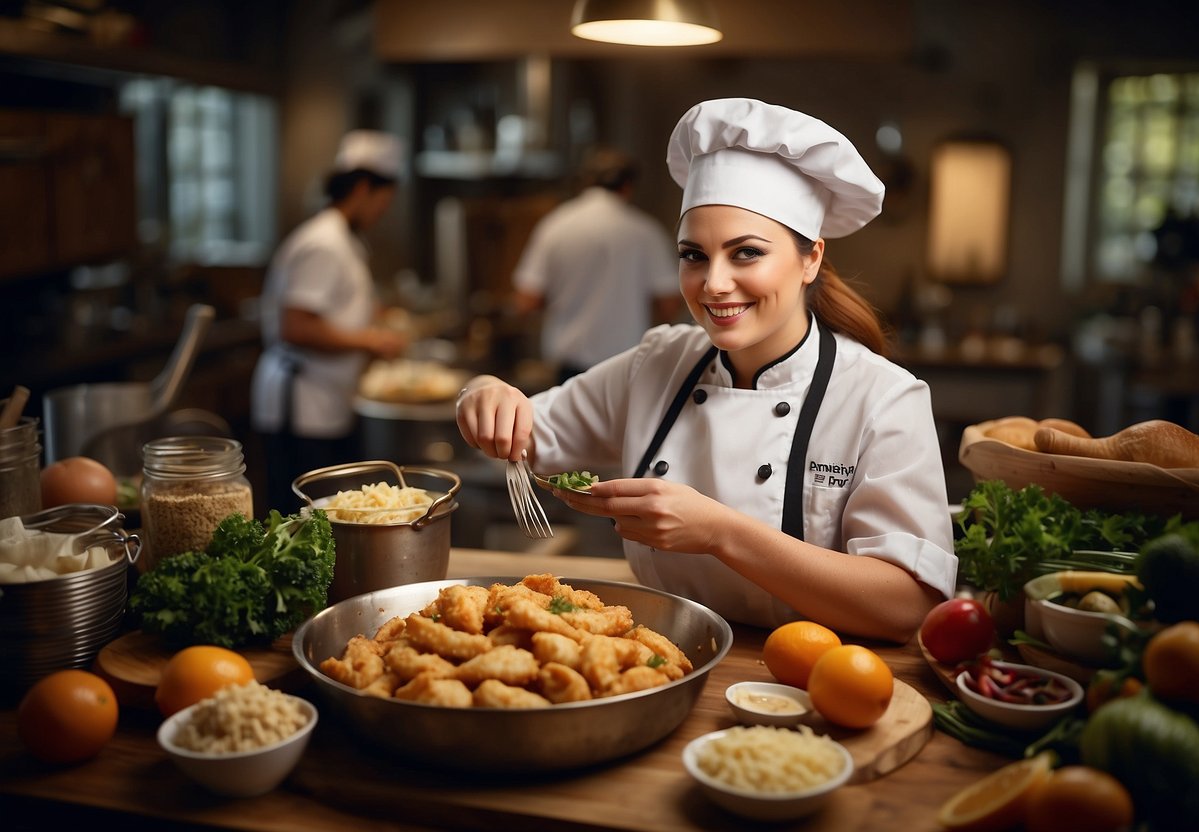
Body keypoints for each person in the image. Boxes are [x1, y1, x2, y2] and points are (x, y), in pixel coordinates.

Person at [454, 98, 957, 643]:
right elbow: (526, 431)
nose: (713, 283)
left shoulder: (883, 398)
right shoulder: (658, 362)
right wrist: (485, 391)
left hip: (813, 680)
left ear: (811, 257)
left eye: (745, 253)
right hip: (664, 656)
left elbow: (909, 603)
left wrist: (720, 532)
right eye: (694, 255)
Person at [251, 129, 409, 514]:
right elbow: (296, 325)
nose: (382, 213)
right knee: (300, 516)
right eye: (382, 202)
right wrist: (370, 341)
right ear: (361, 190)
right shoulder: (324, 243)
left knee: (324, 515)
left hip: (325, 401)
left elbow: (332, 307)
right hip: (302, 406)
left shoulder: (344, 240)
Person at [512, 147, 684, 384]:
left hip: (569, 368)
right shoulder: (644, 231)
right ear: (627, 186)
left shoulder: (555, 226)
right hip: (628, 365)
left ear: (585, 182)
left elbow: (526, 300)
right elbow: (669, 302)